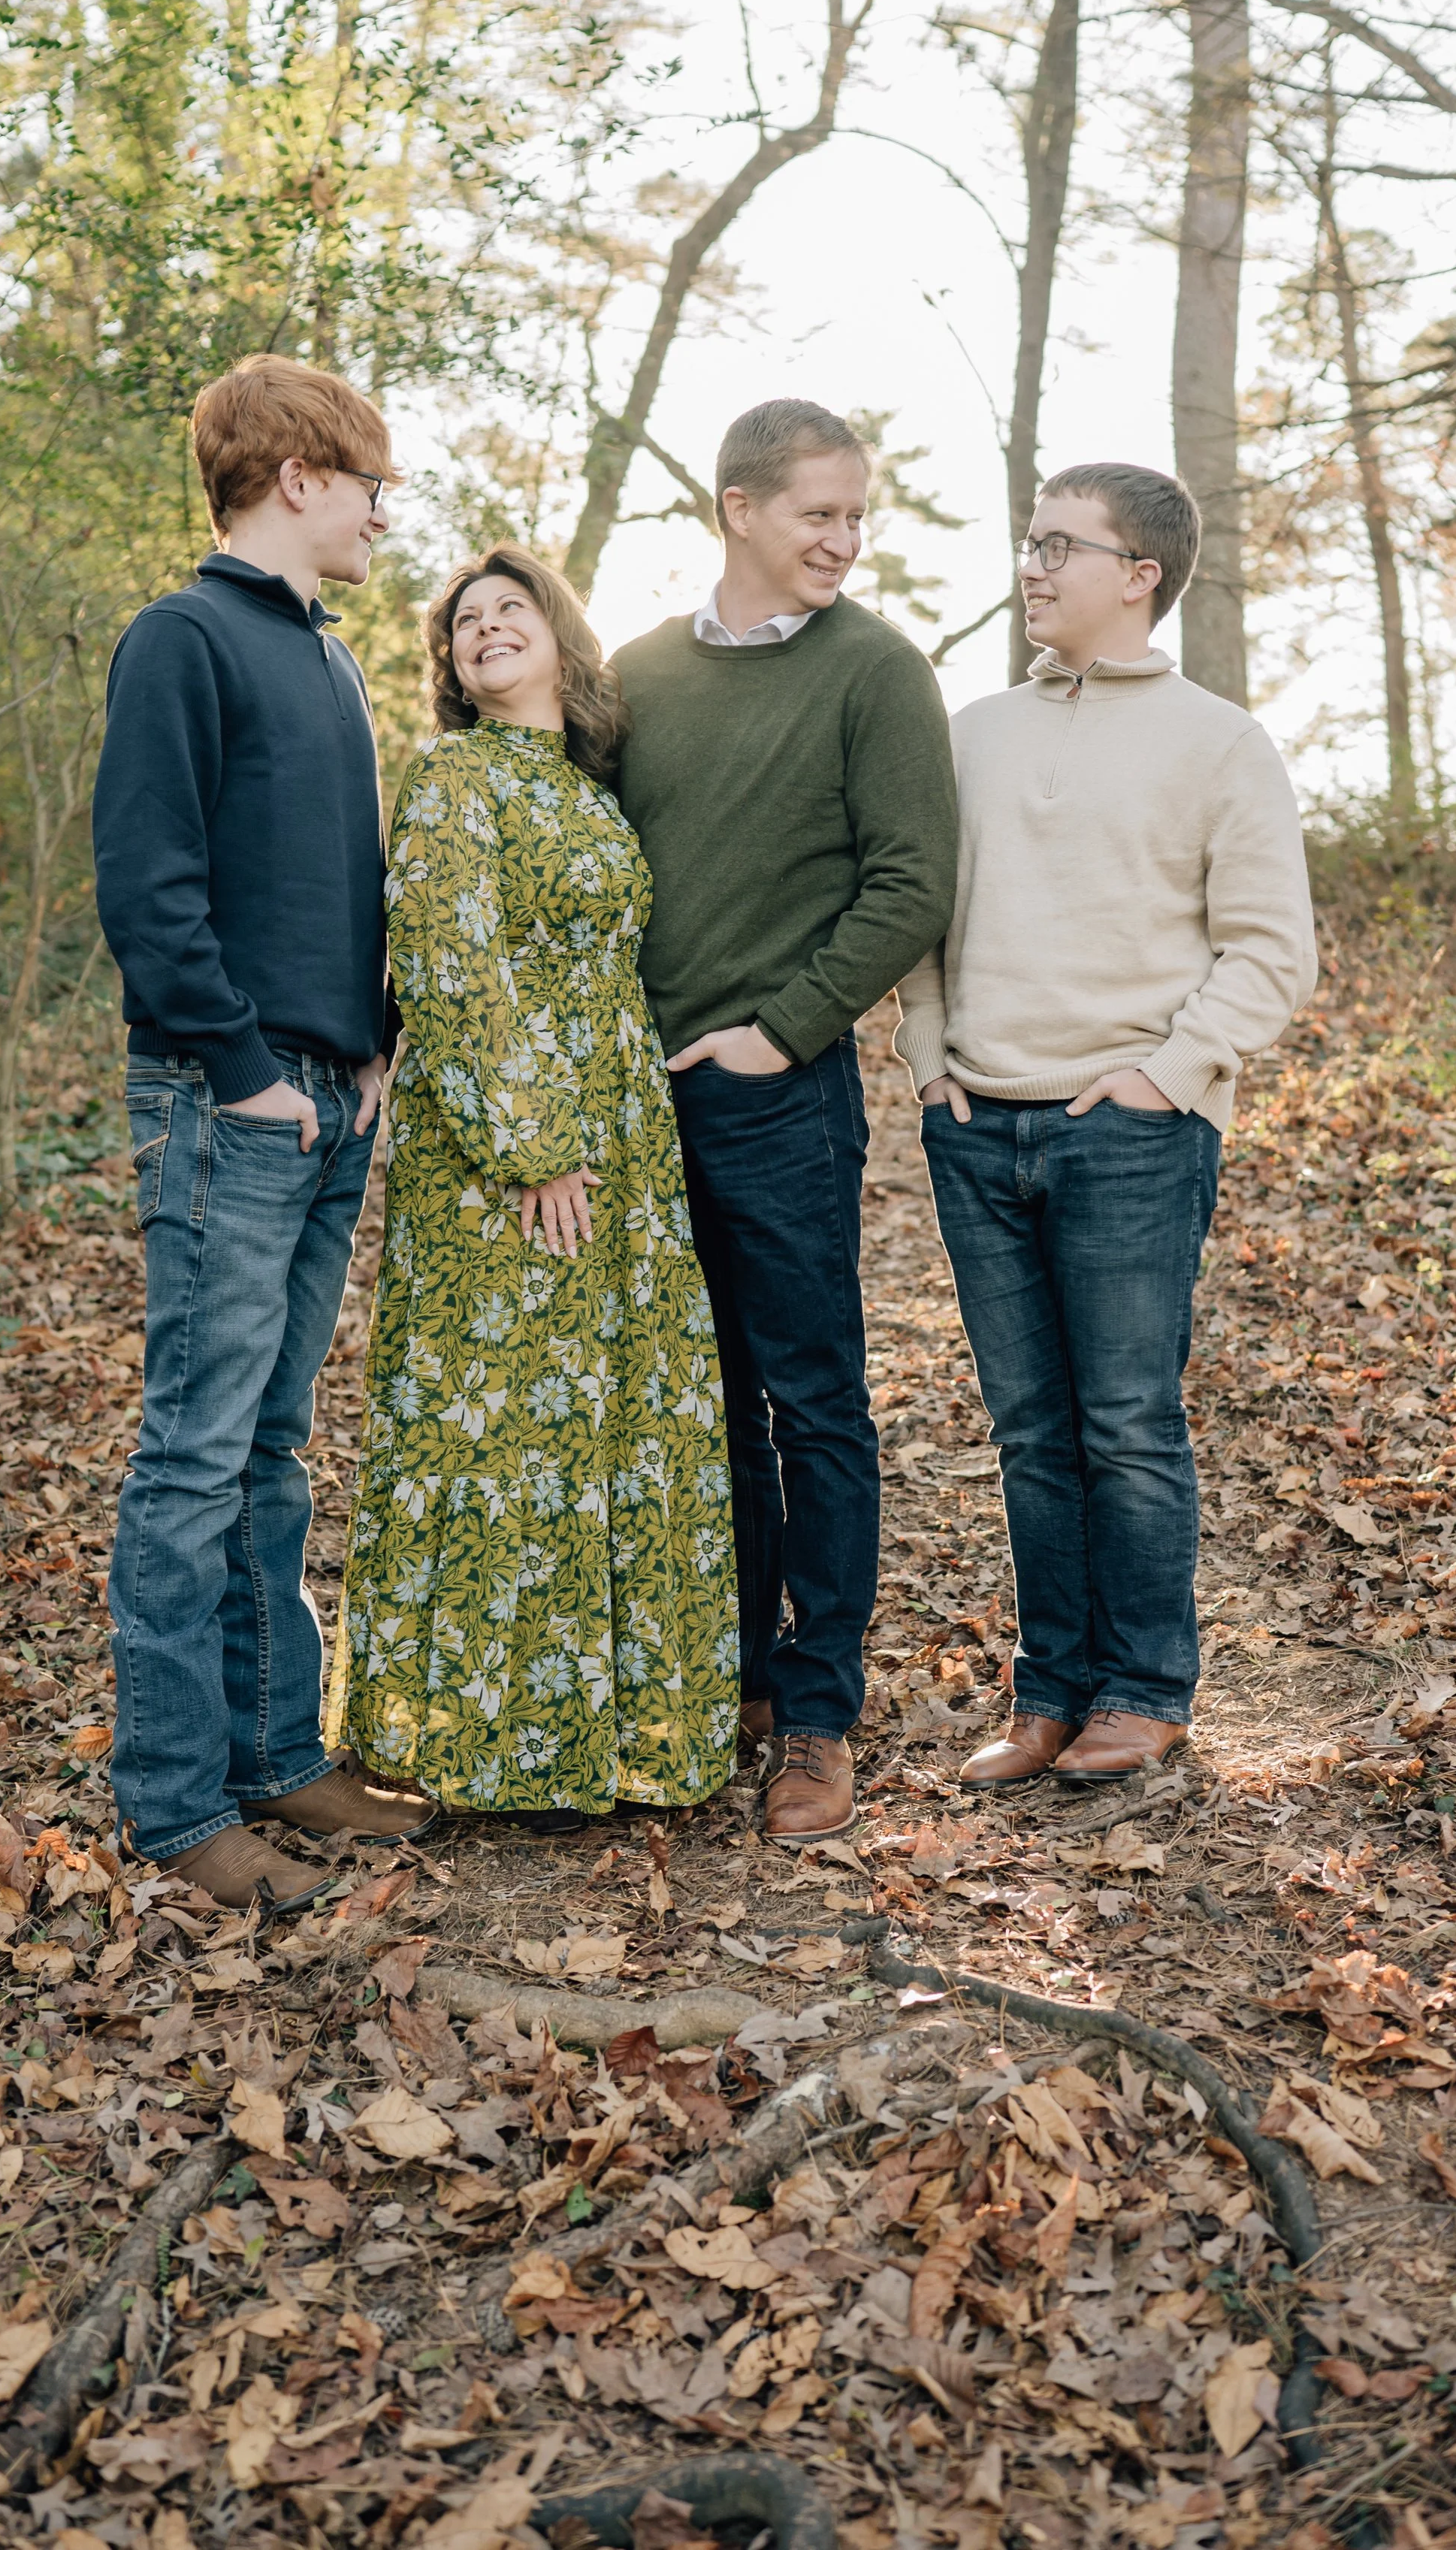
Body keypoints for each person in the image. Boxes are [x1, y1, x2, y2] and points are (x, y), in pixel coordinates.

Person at [896, 461, 1318, 1789]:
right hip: (980, 1123)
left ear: (1139, 574)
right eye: (1028, 541)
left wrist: (1170, 1071)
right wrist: (927, 1058)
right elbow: (918, 914)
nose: (1031, 566)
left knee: (1127, 1420)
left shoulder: (1219, 741)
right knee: (1029, 1429)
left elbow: (1271, 954)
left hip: (1131, 1132)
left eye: (1061, 547)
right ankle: (1049, 1693)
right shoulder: (971, 732)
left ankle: (1144, 1688)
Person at [92, 353, 439, 1913]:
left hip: (324, 1099)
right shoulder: (182, 641)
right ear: (297, 478)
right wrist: (245, 1071)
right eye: (370, 482)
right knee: (196, 1453)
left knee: (276, 1449)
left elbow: (332, 882)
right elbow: (149, 888)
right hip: (229, 1103)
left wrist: (365, 1044)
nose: (382, 512)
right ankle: (178, 1806)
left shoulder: (332, 658)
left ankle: (279, 1755)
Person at [327, 547, 739, 1833]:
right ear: (450, 669)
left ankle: (615, 1728)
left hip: (621, 1136)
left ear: (561, 638)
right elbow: (450, 968)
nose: (487, 630)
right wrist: (534, 1144)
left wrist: (597, 1136)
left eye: (511, 611)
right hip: (511, 1150)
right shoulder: (454, 781)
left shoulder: (584, 791)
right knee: (510, 1429)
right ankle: (495, 1745)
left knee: (610, 1411)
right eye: (465, 625)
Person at [612, 400, 958, 1845]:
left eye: (855, 515)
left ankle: (818, 1713)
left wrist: (781, 1030)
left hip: (778, 1093)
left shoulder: (875, 668)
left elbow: (912, 880)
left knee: (813, 1400)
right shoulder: (632, 675)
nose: (843, 538)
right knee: (704, 1404)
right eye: (818, 512)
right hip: (637, 1101)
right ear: (738, 509)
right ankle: (740, 1672)